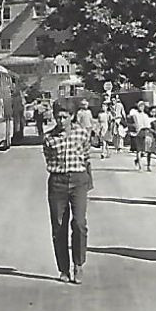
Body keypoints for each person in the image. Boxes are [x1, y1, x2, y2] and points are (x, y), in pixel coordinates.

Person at [42, 99, 94, 284]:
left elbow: (86, 157)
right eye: (58, 117)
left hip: (78, 180)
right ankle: (63, 269)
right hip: (57, 183)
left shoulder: (82, 134)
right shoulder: (49, 138)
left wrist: (88, 181)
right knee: (59, 225)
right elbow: (49, 158)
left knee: (79, 223)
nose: (61, 120)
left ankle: (78, 264)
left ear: (72, 117)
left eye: (65, 117)